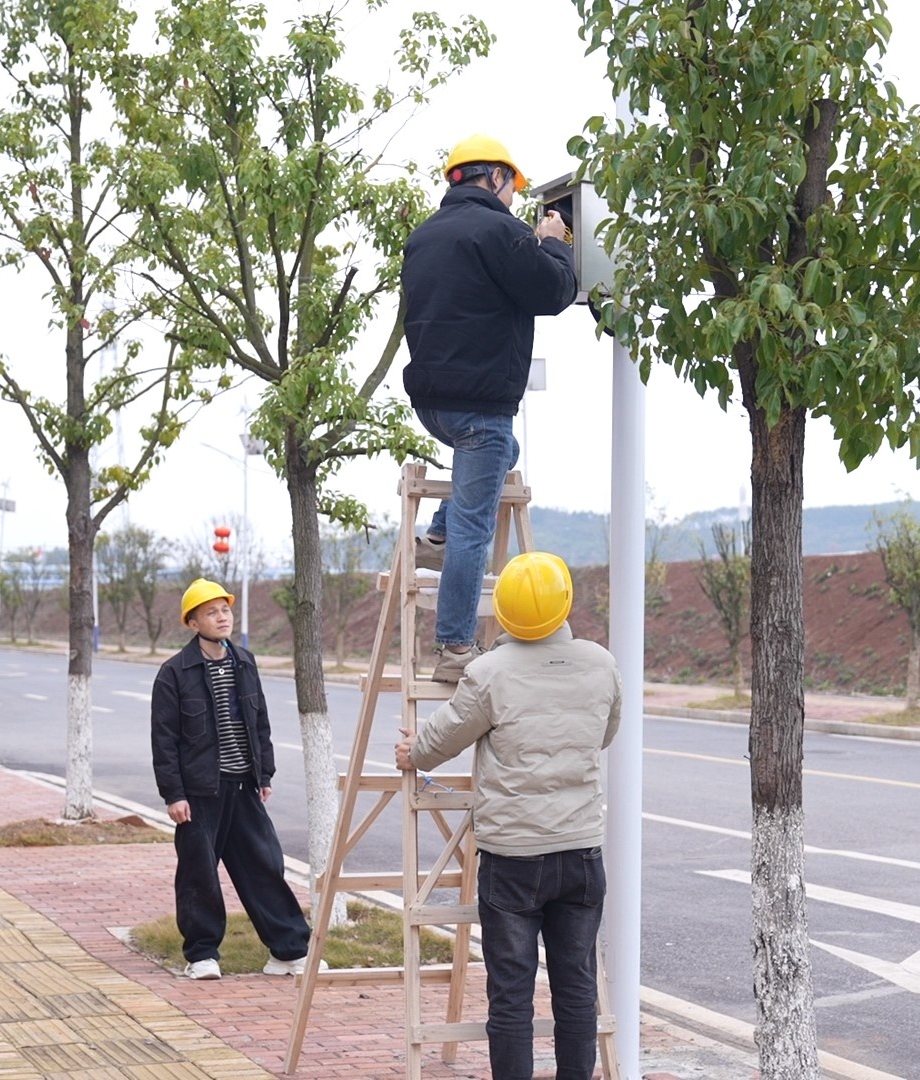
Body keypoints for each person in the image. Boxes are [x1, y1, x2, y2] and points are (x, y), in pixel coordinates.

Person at [394, 553, 620, 1080]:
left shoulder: (489, 672)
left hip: (513, 857)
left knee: (512, 993)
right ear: (566, 602)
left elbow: (444, 737)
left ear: (502, 611)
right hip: (581, 851)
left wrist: (413, 752)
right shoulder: (601, 663)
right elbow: (604, 734)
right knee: (577, 986)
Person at [401, 132, 579, 682]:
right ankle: (454, 647)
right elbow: (553, 293)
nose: (513, 197)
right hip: (480, 406)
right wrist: (552, 243)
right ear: (496, 177)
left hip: (433, 404)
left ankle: (437, 536)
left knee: (505, 450)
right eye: (512, 186)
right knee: (475, 529)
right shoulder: (503, 232)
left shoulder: (424, 236)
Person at [151, 578, 314, 980]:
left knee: (265, 866)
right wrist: (174, 794)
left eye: (225, 609)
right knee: (199, 874)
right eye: (211, 612)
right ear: (193, 623)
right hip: (199, 793)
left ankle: (289, 952)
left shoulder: (244, 662)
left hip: (243, 786)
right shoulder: (174, 673)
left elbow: (259, 722)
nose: (222, 617)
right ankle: (202, 955)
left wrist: (264, 773)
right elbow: (164, 740)